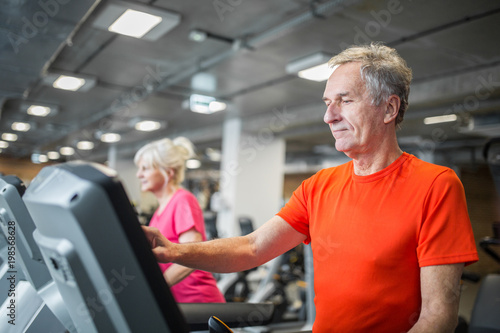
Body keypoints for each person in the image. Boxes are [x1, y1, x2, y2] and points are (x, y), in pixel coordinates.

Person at [142, 43, 478, 332]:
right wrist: (172, 250)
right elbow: (252, 247)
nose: (328, 116)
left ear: (388, 108)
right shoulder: (318, 187)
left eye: (344, 101)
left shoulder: (436, 186)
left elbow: (438, 317)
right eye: (326, 102)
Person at [134, 137, 225, 303]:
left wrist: (157, 286)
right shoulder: (160, 210)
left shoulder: (183, 200)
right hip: (177, 302)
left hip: (198, 301)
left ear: (168, 172)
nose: (139, 174)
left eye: (145, 169)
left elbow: (193, 256)